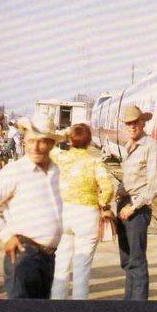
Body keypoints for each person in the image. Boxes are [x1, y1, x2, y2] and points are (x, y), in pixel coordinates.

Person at [0, 114, 65, 299]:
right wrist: (6, 235)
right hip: (24, 257)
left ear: (51, 144)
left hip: (48, 258)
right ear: (24, 141)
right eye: (30, 141)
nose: (35, 147)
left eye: (41, 142)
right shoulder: (15, 171)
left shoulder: (55, 171)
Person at [50, 123, 114, 300]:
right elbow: (108, 188)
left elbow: (49, 145)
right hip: (87, 216)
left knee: (60, 267)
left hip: (64, 214)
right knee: (81, 271)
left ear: (70, 139)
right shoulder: (94, 161)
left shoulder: (60, 156)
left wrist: (63, 136)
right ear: (89, 141)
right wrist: (102, 203)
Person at [116, 105, 157, 300]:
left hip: (137, 210)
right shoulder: (129, 146)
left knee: (137, 262)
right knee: (127, 261)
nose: (132, 126)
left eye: (135, 122)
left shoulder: (150, 146)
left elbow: (154, 185)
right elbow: (132, 177)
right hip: (124, 205)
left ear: (143, 123)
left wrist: (132, 206)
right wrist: (120, 192)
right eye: (128, 123)